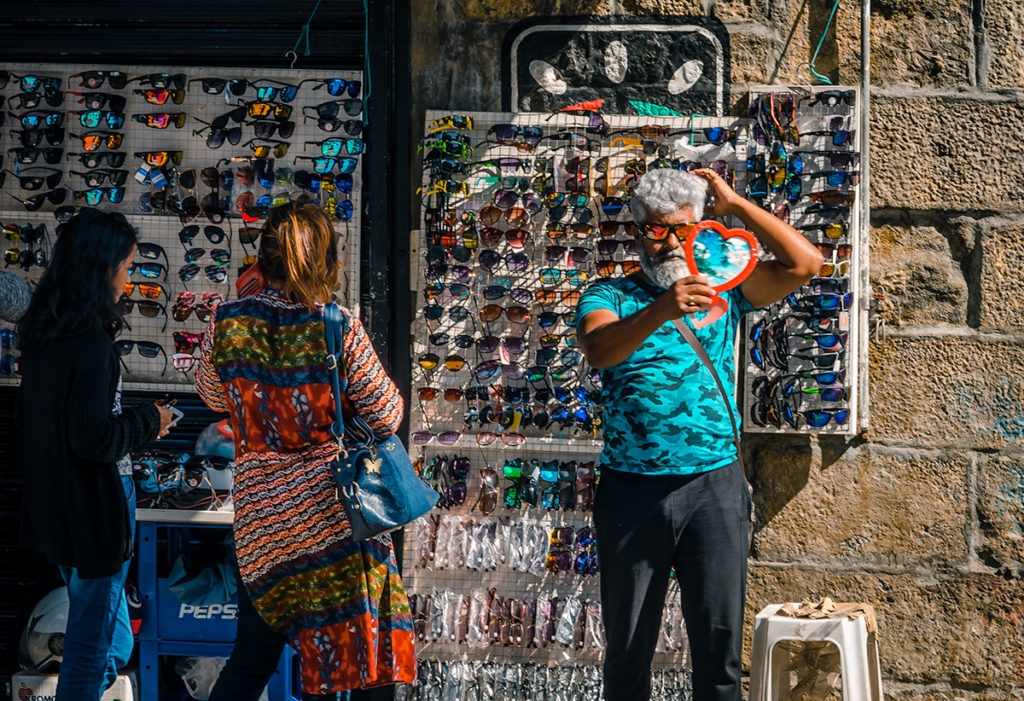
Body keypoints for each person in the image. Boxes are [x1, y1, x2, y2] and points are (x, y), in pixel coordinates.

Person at [577, 168, 823, 701]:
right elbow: (600, 350)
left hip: (714, 487)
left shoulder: (727, 288)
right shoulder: (610, 294)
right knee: (626, 654)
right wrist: (661, 308)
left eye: (685, 231)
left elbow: (806, 263)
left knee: (719, 651)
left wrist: (734, 204)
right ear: (638, 232)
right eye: (657, 231)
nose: (670, 244)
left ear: (701, 230)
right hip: (632, 489)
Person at [197, 203, 415, 700]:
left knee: (250, 662)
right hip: (332, 520)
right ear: (325, 259)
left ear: (263, 257)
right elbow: (387, 415)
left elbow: (213, 395)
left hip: (262, 524)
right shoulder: (338, 325)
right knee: (359, 661)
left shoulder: (226, 321)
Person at [15, 209, 174, 700]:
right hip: (94, 513)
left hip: (61, 509)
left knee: (110, 631)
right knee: (91, 642)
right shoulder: (90, 345)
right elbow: (94, 439)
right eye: (126, 266)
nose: (130, 279)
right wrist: (154, 421)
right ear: (100, 269)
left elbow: (33, 423)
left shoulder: (44, 335)